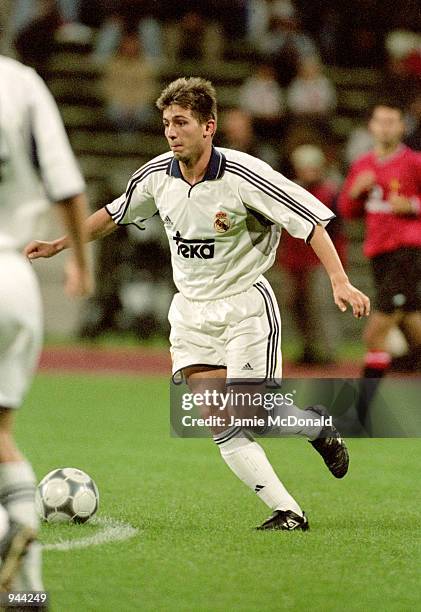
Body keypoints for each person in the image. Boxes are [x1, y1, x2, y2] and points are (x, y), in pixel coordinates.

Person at [26, 77, 370, 531]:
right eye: (167, 122)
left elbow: (309, 223)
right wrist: (60, 244)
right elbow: (114, 213)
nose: (171, 131)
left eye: (182, 122)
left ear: (208, 127)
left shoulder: (245, 175)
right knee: (218, 419)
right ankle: (288, 511)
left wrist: (339, 280)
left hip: (245, 305)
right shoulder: (155, 176)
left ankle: (315, 426)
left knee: (252, 413)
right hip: (190, 311)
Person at [0, 55, 92, 594]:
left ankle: (8, 533)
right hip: (14, 279)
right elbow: (67, 187)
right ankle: (28, 590)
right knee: (1, 434)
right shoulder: (23, 82)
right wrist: (79, 260)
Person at [339, 102, 421, 429]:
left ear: (402, 127)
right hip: (379, 254)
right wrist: (356, 193)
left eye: (392, 121)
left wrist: (413, 205)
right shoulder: (362, 165)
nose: (386, 127)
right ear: (371, 126)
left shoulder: (414, 163)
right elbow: (347, 210)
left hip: (406, 252)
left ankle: (360, 412)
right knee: (414, 326)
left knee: (375, 333)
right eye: (380, 121)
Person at [277, 145, 345, 364]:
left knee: (321, 306)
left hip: (319, 261)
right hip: (296, 260)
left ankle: (328, 351)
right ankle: (309, 348)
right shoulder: (291, 191)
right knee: (297, 306)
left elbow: (337, 232)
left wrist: (338, 264)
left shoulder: (330, 193)